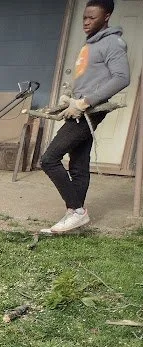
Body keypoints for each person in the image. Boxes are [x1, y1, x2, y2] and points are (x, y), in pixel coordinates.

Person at [40, 0, 130, 236]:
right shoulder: (90, 43)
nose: (86, 22)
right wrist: (69, 96)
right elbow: (86, 77)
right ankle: (74, 216)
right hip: (77, 108)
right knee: (78, 163)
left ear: (107, 16)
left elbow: (121, 78)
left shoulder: (112, 43)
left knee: (49, 159)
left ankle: (77, 210)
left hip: (89, 112)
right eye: (84, 17)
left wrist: (84, 102)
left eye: (92, 18)